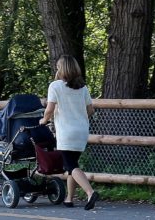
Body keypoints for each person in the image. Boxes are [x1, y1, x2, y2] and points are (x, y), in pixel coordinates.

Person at [39, 54, 99, 210]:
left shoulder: (55, 86)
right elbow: (90, 110)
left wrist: (43, 120)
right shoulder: (82, 87)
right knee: (72, 164)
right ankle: (69, 199)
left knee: (69, 165)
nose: (57, 70)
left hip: (66, 132)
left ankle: (90, 192)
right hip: (81, 131)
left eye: (58, 67)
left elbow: (49, 109)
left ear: (63, 69)